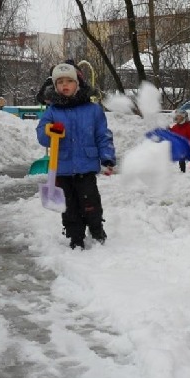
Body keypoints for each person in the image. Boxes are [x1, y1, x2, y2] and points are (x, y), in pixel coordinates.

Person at [36, 61, 116, 250]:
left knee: (91, 203)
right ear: (54, 86)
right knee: (69, 207)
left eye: (69, 81)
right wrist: (49, 131)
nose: (65, 85)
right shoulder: (52, 111)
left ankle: (96, 229)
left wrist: (107, 157)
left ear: (78, 83)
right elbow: (42, 136)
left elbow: (103, 135)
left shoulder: (93, 110)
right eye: (60, 82)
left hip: (86, 167)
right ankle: (75, 236)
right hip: (62, 168)